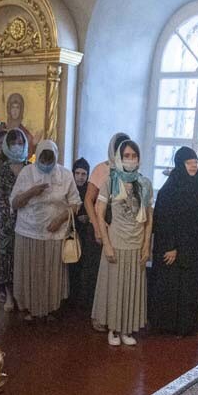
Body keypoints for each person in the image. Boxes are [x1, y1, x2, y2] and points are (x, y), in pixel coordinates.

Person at [10, 139, 80, 321]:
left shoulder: (65, 175)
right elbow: (14, 203)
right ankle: (30, 309)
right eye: (43, 159)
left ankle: (51, 309)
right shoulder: (27, 173)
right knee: (32, 272)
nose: (46, 163)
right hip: (29, 231)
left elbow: (75, 203)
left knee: (50, 273)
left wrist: (60, 219)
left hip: (55, 232)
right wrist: (31, 192)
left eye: (50, 160)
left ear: (56, 158)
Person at [149, 146, 198, 335]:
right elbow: (165, 220)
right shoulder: (169, 190)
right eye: (189, 162)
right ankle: (170, 327)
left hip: (194, 250)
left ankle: (188, 326)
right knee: (174, 288)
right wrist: (171, 246)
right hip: (176, 251)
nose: (194, 166)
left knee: (191, 289)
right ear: (180, 164)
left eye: (196, 162)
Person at [92, 139, 153, 346]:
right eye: (126, 156)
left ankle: (127, 329)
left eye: (134, 156)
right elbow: (100, 213)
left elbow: (149, 218)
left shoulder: (144, 184)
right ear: (119, 158)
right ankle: (113, 329)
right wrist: (107, 244)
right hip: (116, 242)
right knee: (115, 288)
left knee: (132, 289)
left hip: (136, 244)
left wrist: (146, 245)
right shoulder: (110, 181)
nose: (130, 159)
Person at [84, 132, 130, 331]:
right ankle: (97, 315)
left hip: (120, 229)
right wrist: (97, 227)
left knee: (115, 274)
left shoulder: (129, 171)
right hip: (100, 224)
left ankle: (114, 315)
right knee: (97, 274)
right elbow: (89, 200)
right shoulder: (101, 169)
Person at [0, 125, 27, 310]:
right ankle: (9, 296)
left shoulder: (29, 168)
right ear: (7, 146)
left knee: (22, 259)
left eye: (20, 143)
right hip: (6, 221)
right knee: (6, 258)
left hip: (27, 220)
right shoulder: (0, 169)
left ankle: (22, 296)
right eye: (13, 143)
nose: (17, 146)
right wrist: (10, 215)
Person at [69, 157, 101, 311]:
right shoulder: (69, 188)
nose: (80, 177)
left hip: (87, 235)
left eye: (83, 174)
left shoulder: (90, 191)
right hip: (71, 234)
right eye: (77, 173)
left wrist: (88, 217)